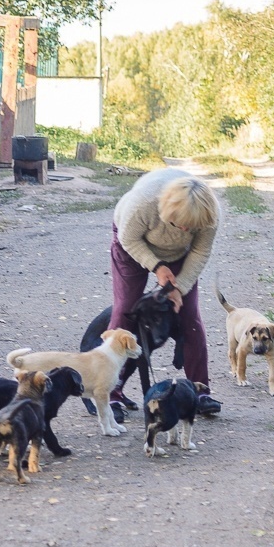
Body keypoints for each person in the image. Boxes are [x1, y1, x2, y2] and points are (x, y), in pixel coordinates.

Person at [108, 167, 222, 416]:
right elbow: (129, 239)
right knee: (126, 309)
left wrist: (179, 288)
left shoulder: (208, 214)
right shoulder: (144, 203)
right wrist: (158, 267)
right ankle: (111, 391)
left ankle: (200, 391)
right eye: (179, 224)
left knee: (189, 315)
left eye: (190, 228)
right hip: (133, 244)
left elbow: (200, 252)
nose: (184, 231)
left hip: (180, 255)